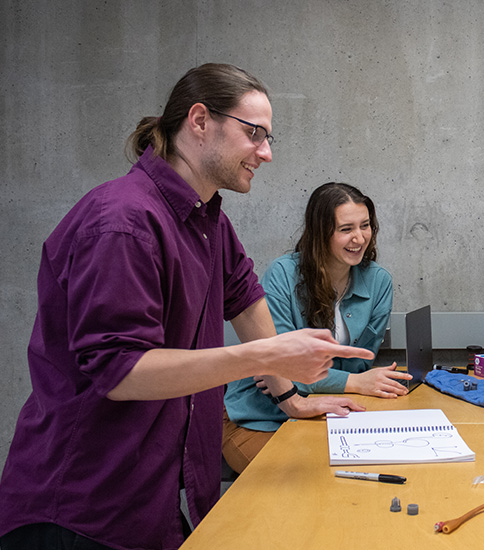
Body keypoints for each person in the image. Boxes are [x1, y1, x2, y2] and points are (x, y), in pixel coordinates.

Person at [0, 63, 370, 550]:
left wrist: (292, 399)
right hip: (79, 508)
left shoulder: (209, 220)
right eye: (254, 133)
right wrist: (268, 357)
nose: (266, 152)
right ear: (199, 121)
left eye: (269, 137)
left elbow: (246, 303)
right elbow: (123, 371)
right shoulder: (122, 221)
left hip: (149, 499)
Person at [222, 182, 409, 473]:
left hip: (327, 413)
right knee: (295, 490)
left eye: (365, 226)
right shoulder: (283, 274)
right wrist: (351, 382)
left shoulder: (378, 281)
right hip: (259, 416)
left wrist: (317, 378)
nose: (359, 238)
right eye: (346, 229)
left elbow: (360, 364)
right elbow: (283, 367)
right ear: (321, 233)